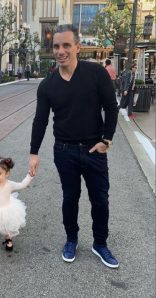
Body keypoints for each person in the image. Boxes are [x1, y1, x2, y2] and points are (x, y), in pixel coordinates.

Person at [28, 24, 119, 268]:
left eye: (66, 45)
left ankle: (100, 243)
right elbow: (40, 120)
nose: (61, 50)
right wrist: (33, 153)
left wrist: (106, 140)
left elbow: (111, 107)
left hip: (94, 149)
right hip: (64, 151)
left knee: (100, 199)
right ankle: (71, 239)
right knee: (70, 198)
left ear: (77, 47)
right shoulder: (47, 85)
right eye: (57, 46)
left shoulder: (96, 74)